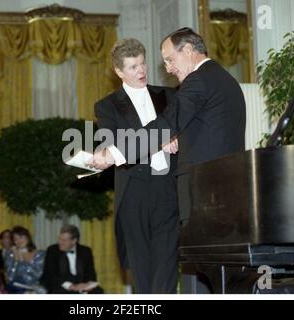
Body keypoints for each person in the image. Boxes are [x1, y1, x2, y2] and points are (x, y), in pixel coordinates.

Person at [89, 28, 246, 292]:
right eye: (132, 66)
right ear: (119, 72)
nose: (168, 68)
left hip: (187, 189)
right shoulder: (223, 78)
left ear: (187, 51)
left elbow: (168, 123)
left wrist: (114, 154)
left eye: (169, 60)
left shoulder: (194, 83)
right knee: (199, 268)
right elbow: (193, 128)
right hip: (153, 190)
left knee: (180, 266)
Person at [90, 38, 179, 294]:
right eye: (132, 67)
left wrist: (177, 138)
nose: (141, 71)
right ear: (118, 71)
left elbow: (185, 129)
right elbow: (113, 142)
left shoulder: (169, 95)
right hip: (135, 192)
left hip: (168, 187)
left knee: (167, 265)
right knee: (142, 268)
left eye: (142, 64)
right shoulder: (107, 106)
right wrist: (159, 141)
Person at [40, 225, 104, 294]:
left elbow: (91, 273)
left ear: (74, 241)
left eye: (64, 240)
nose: (60, 243)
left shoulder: (85, 251)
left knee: (98, 291)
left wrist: (87, 285)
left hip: (81, 285)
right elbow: (51, 275)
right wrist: (70, 286)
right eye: (59, 239)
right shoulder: (52, 250)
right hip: (61, 284)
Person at [4, 226, 45, 293]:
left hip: (34, 288)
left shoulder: (40, 254)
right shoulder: (10, 254)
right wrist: (16, 261)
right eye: (15, 239)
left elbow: (37, 275)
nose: (18, 241)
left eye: (21, 237)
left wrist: (21, 260)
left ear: (28, 237)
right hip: (15, 288)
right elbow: (10, 278)